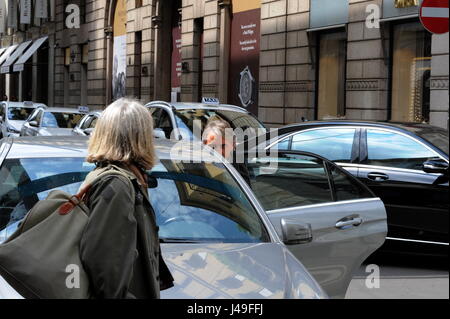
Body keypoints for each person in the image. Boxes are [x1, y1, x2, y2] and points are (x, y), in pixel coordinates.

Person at [80, 98, 174, 299]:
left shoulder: (126, 178)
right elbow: (105, 267)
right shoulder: (117, 184)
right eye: (149, 132)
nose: (153, 138)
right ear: (139, 137)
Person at [202, 117, 252, 186]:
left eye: (223, 146)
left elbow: (246, 189)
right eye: (212, 147)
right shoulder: (201, 168)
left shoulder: (238, 162)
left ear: (233, 144)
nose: (218, 152)